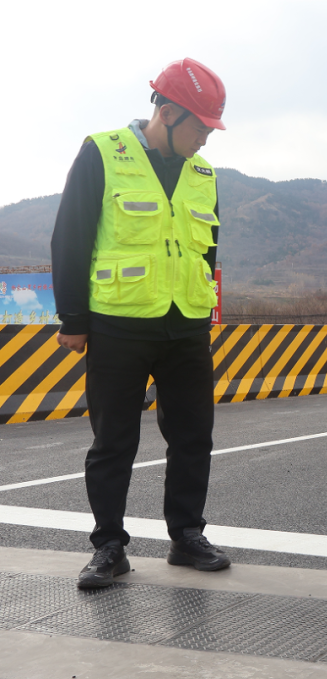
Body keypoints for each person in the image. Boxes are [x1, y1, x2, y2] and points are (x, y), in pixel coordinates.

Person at [51, 58, 232, 589]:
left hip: (187, 326)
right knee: (113, 442)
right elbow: (71, 237)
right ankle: (109, 547)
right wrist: (74, 318)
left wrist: (203, 306)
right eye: (200, 126)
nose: (205, 139)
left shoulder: (203, 173)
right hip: (118, 324)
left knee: (193, 436)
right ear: (168, 114)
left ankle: (187, 536)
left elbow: (207, 251)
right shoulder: (103, 153)